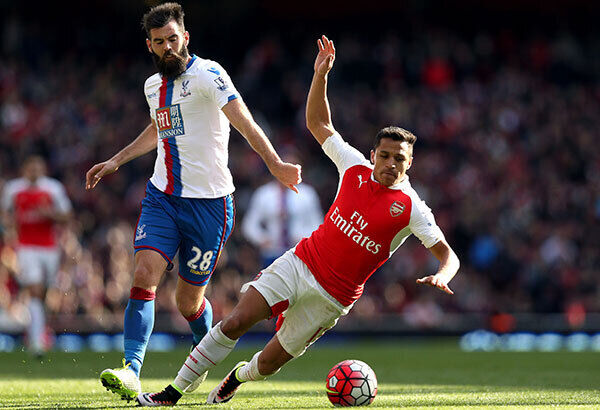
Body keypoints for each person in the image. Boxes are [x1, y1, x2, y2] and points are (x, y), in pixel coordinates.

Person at [136, 35, 460, 407]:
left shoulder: (412, 208)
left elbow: (448, 255)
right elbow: (318, 122)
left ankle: (237, 376)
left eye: (399, 159)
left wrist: (443, 275)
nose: (390, 163)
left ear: (409, 163)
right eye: (384, 155)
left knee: (270, 363)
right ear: (373, 154)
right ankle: (172, 392)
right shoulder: (354, 166)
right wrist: (320, 75)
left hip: (333, 297)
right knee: (238, 320)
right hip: (301, 261)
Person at [85, 2, 301, 401]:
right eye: (159, 42)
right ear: (149, 45)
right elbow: (158, 128)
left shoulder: (209, 74)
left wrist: (275, 164)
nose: (168, 47)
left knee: (188, 303)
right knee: (143, 274)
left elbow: (245, 121)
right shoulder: (153, 87)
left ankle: (203, 356)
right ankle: (132, 370)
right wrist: (116, 159)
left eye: (173, 39)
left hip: (210, 206)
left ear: (185, 38)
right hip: (162, 196)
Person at [1, 155, 72, 357]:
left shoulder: (53, 189)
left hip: (49, 248)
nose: (34, 171)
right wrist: (10, 226)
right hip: (26, 247)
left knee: (46, 294)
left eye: (37, 167)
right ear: (25, 169)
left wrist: (49, 214)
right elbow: (5, 213)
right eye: (30, 167)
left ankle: (40, 330)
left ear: (43, 169)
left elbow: (67, 215)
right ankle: (36, 342)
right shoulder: (13, 189)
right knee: (34, 289)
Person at [242, 150, 323, 268]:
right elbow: (249, 225)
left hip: (299, 253)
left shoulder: (308, 194)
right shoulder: (264, 194)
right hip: (271, 253)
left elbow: (318, 224)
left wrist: (304, 238)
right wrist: (261, 239)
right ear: (278, 168)